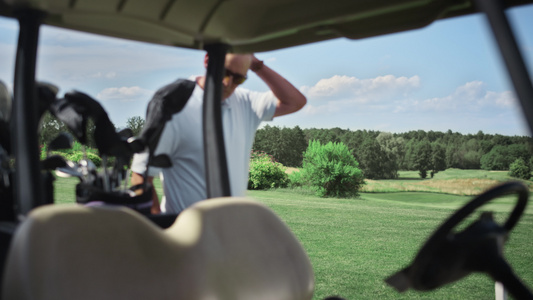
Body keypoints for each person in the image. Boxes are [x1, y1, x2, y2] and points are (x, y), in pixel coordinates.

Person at [130, 53, 306, 214]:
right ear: (208, 60)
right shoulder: (176, 102)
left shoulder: (246, 102)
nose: (228, 84)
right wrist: (161, 230)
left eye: (239, 79)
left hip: (229, 236)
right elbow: (141, 176)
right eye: (225, 72)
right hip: (184, 237)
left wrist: (257, 65)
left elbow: (295, 102)